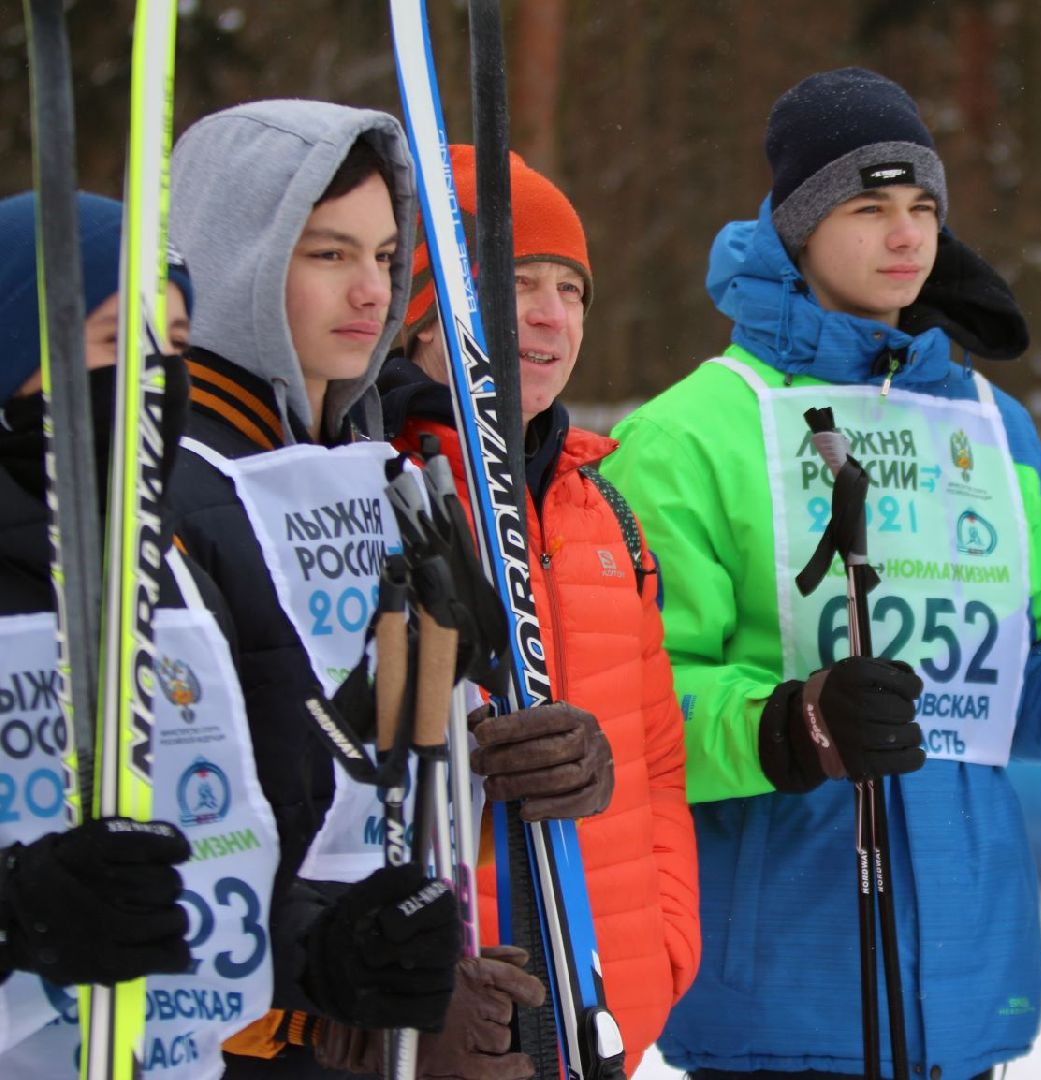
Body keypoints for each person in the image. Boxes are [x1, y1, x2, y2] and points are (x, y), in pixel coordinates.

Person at [600, 68, 1041, 1080]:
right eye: (868, 209)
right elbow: (640, 711)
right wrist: (793, 723)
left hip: (964, 986)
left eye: (922, 208)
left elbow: (1013, 674)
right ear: (797, 228)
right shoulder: (689, 433)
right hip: (779, 991)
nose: (907, 236)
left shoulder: (990, 425)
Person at [164, 101, 543, 1079]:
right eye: (328, 254)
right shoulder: (176, 484)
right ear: (236, 257)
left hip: (375, 1005)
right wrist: (325, 1008)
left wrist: (534, 752)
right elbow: (188, 814)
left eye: (384, 256)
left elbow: (406, 752)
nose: (370, 291)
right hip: (243, 1039)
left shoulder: (377, 469)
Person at [381, 143, 701, 1077]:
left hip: (602, 1019)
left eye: (572, 290)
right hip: (449, 1024)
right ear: (421, 312)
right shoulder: (374, 487)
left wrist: (661, 957)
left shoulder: (602, 510)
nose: (550, 315)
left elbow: (658, 760)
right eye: (515, 282)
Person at [0, 189, 276, 1077]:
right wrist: (19, 912)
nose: (157, 377)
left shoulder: (168, 566)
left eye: (179, 347)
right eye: (121, 342)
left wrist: (332, 946)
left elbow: (219, 834)